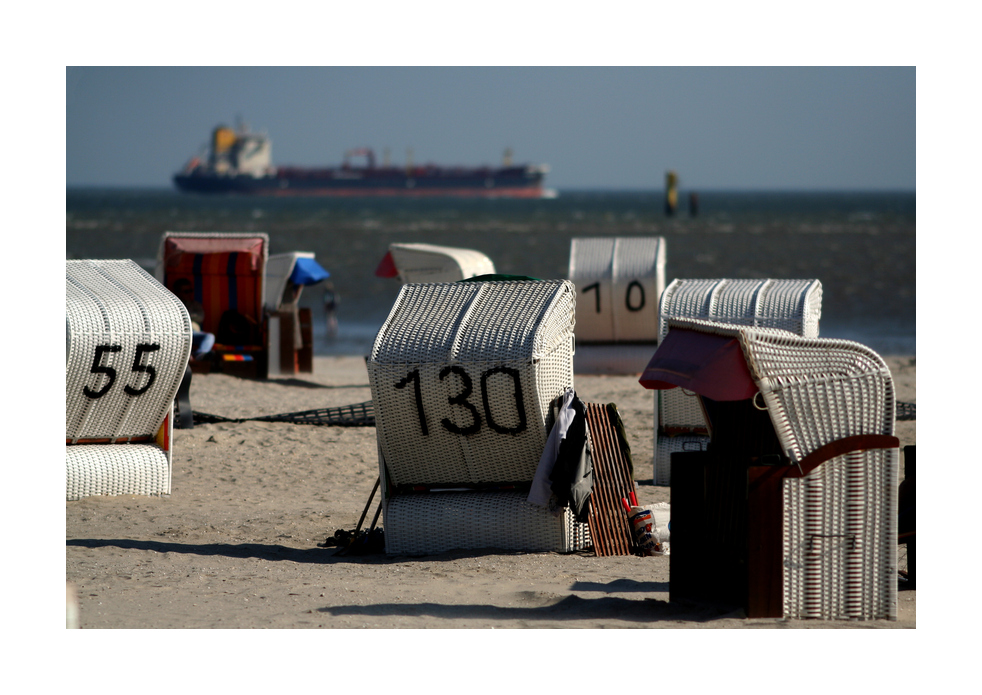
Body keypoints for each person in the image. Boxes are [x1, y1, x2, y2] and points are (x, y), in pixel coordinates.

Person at [172, 278, 215, 360]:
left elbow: (200, 317)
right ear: (178, 292)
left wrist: (183, 315)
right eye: (186, 291)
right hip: (178, 333)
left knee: (209, 336)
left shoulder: (195, 304)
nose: (189, 294)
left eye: (190, 291)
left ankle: (200, 354)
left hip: (193, 333)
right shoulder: (172, 304)